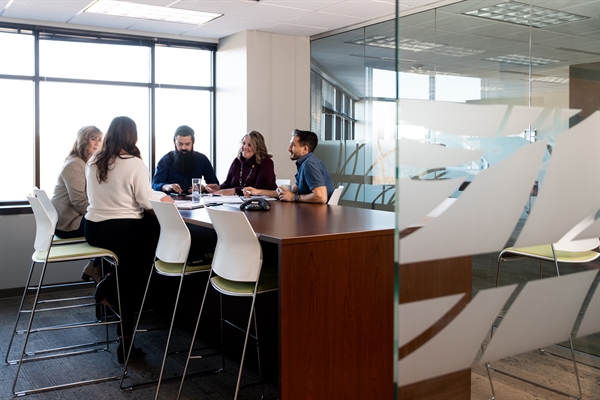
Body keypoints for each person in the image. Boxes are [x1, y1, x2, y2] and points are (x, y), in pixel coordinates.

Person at [84, 116, 173, 363]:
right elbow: (145, 201)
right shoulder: (134, 163)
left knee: (130, 272)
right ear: (131, 137)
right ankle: (112, 288)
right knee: (143, 264)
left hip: (92, 228)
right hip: (122, 231)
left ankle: (111, 283)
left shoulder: (94, 161)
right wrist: (165, 199)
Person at [51, 126, 104, 283]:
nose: (97, 143)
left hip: (73, 218)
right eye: (93, 139)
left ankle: (96, 267)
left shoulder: (85, 163)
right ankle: (99, 270)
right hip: (68, 223)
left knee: (114, 226)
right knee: (114, 227)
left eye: (100, 140)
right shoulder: (75, 165)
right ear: (83, 140)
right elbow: (80, 203)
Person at [245, 129, 333, 204]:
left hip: (315, 219)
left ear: (305, 149)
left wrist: (294, 197)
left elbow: (321, 197)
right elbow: (290, 191)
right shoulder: (305, 163)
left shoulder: (309, 164)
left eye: (293, 145)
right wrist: (257, 192)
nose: (289, 148)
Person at [205, 130, 277, 196]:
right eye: (243, 143)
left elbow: (259, 189)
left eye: (249, 145)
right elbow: (228, 183)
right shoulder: (237, 161)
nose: (245, 147)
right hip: (240, 202)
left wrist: (234, 191)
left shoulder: (267, 163)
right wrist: (219, 188)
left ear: (258, 147)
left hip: (265, 204)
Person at [152, 125, 219, 194]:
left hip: (195, 202)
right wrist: (166, 186)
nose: (183, 148)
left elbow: (215, 186)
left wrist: (204, 188)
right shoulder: (165, 160)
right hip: (171, 201)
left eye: (187, 144)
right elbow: (155, 185)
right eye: (180, 144)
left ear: (193, 142)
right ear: (175, 143)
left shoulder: (202, 159)